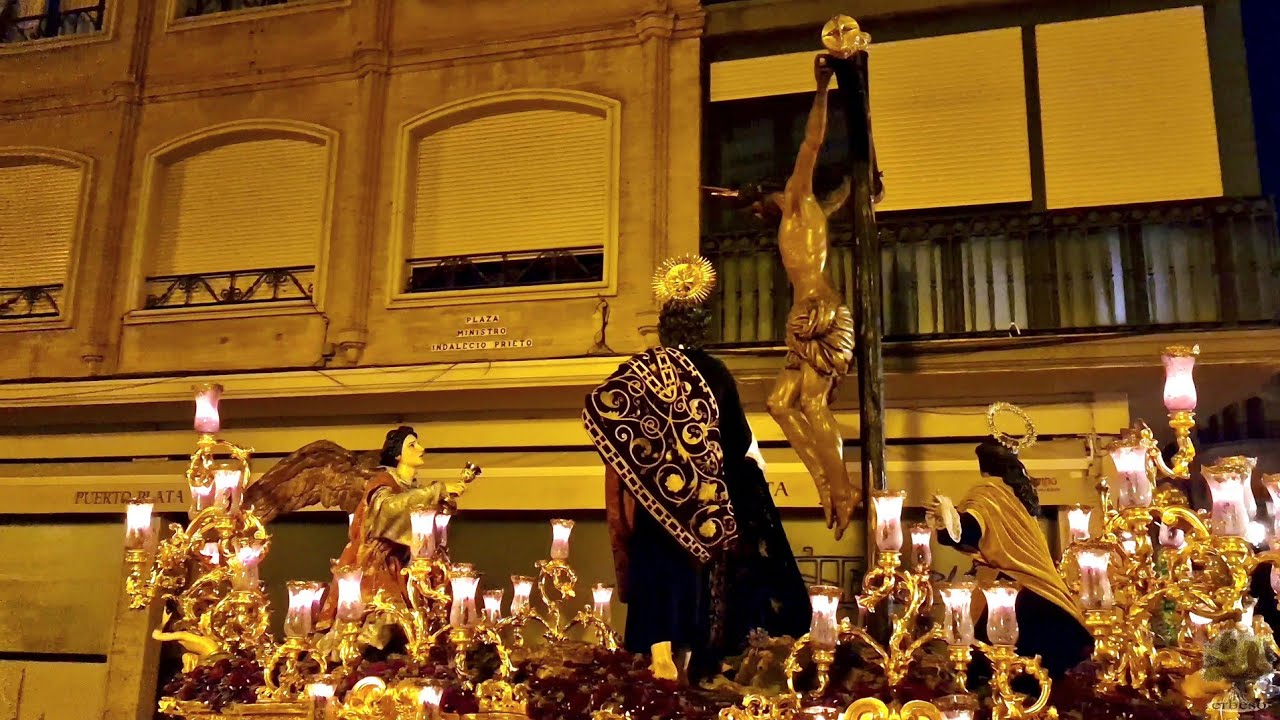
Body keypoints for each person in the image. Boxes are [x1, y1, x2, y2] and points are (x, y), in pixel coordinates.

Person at [583, 259, 810, 684]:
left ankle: (660, 654)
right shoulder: (716, 372)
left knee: (656, 575)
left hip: (657, 503)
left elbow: (603, 406)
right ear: (701, 328)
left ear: (666, 328)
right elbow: (738, 440)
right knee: (702, 584)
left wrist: (646, 462)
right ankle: (697, 664)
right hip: (705, 505)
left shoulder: (639, 370)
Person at [763, 55, 858, 539]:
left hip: (819, 311)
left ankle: (844, 488)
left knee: (814, 406)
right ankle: (825, 481)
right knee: (780, 403)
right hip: (805, 311)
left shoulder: (799, 200)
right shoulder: (812, 214)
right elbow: (841, 197)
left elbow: (811, 142)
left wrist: (822, 86)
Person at [930, 439, 1094, 680]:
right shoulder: (1015, 496)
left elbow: (969, 531)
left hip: (1013, 596)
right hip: (1044, 592)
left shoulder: (988, 492)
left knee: (991, 674)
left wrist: (947, 515)